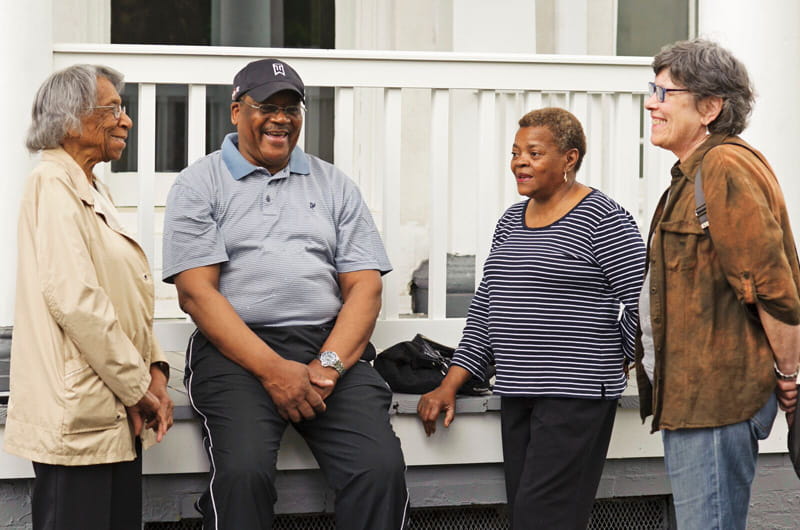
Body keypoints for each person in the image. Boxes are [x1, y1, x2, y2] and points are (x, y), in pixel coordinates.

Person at [162, 58, 409, 530]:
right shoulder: (199, 183)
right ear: (236, 111)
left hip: (326, 345)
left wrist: (330, 365)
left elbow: (365, 288)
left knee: (379, 469)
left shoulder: (334, 183)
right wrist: (274, 370)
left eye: (292, 107)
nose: (281, 118)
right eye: (266, 106)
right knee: (244, 474)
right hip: (237, 351)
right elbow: (196, 294)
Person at [418, 107, 646, 529]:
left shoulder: (603, 219)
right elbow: (487, 309)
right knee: (529, 515)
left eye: (534, 153)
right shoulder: (509, 222)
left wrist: (624, 356)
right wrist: (450, 383)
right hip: (519, 390)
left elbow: (643, 301)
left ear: (570, 158)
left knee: (543, 518)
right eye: (515, 152)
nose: (520, 162)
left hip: (575, 395)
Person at [635, 38, 800, 530]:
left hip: (715, 401)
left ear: (709, 107)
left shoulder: (723, 167)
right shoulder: (696, 172)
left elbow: (771, 283)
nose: (651, 102)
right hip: (696, 401)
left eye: (664, 93)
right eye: (652, 89)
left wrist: (789, 374)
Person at [4, 64, 174, 530]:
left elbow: (123, 295)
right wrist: (138, 387)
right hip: (80, 411)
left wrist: (155, 370)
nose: (126, 120)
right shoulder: (52, 184)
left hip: (110, 407)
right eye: (114, 109)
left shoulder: (90, 186)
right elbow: (77, 301)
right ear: (71, 120)